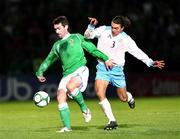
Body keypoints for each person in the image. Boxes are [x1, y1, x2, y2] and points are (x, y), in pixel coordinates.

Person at [84, 16, 165, 130]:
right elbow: (87, 36)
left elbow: (137, 52)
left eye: (116, 28)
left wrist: (150, 62)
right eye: (112, 27)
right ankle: (112, 120)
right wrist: (91, 26)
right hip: (103, 68)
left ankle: (129, 97)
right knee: (99, 92)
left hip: (117, 70)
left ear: (122, 28)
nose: (113, 30)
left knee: (123, 98)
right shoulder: (103, 30)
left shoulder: (126, 39)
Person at [36, 16, 114, 133]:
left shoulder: (77, 37)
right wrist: (40, 71)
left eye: (59, 28)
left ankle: (84, 109)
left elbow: (92, 49)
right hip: (66, 74)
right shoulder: (57, 45)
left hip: (80, 70)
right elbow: (49, 60)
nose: (57, 31)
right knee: (60, 98)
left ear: (66, 26)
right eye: (55, 29)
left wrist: (106, 58)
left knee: (70, 86)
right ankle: (67, 128)